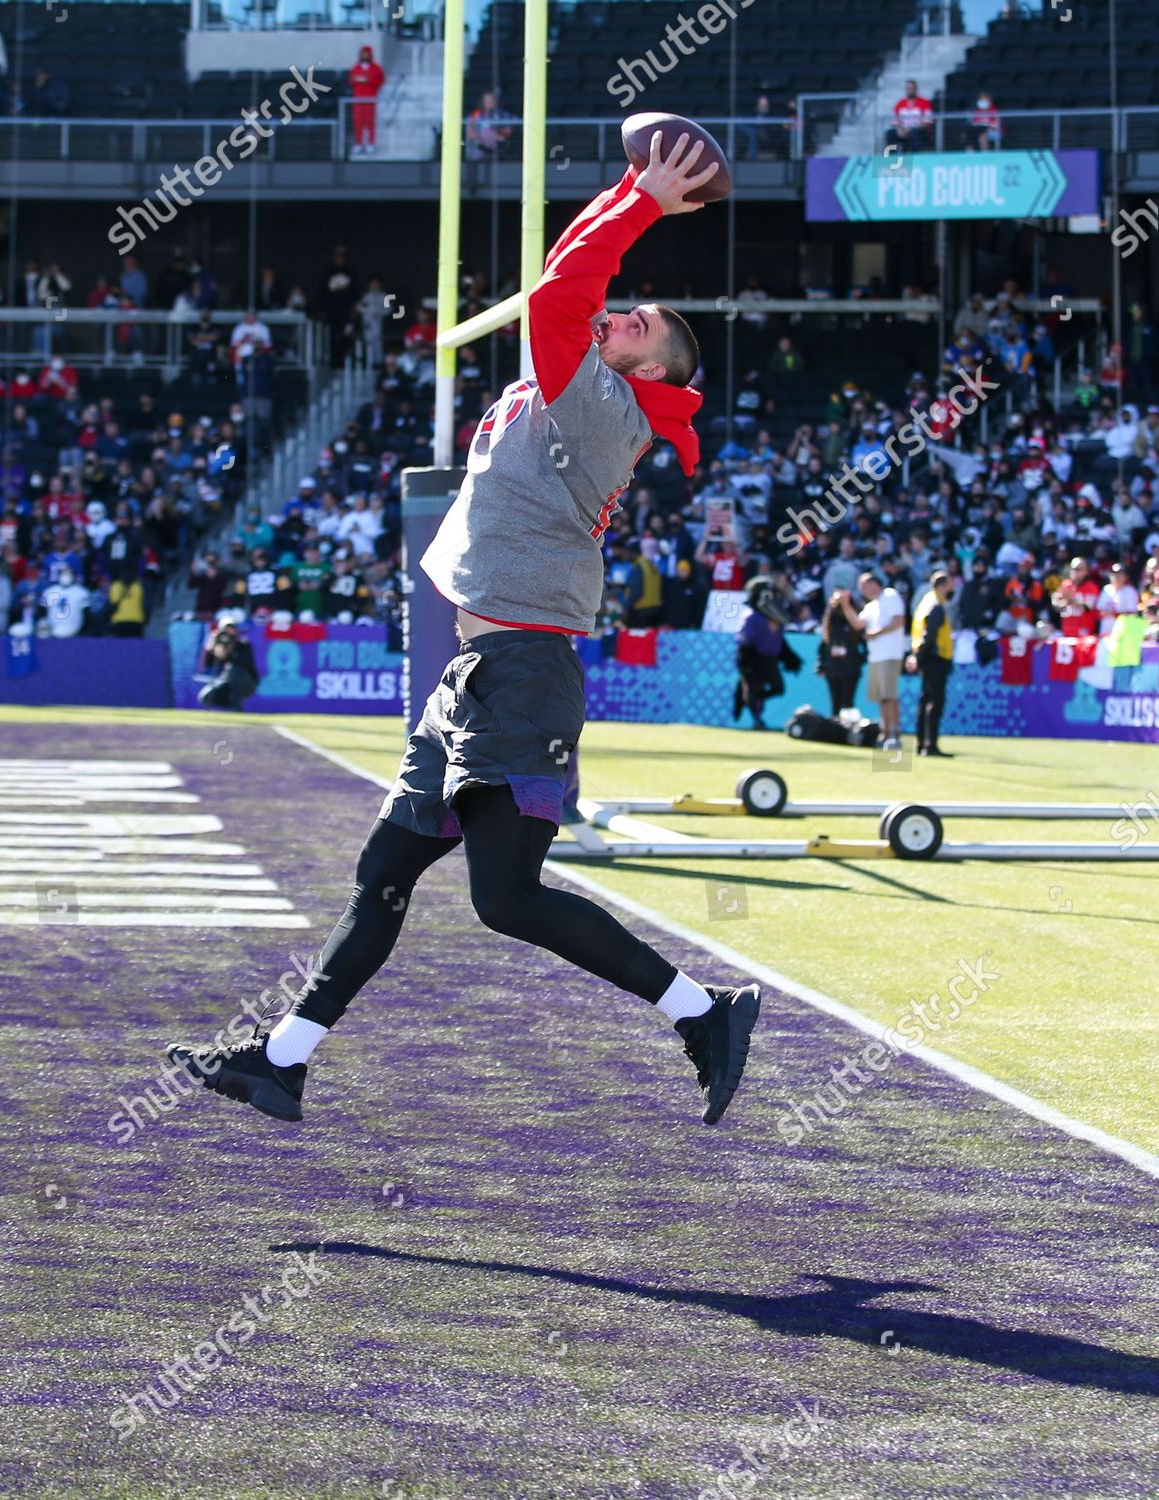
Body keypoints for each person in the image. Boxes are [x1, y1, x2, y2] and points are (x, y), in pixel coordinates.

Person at [168, 131, 761, 1129]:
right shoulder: (579, 380)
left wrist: (647, 202)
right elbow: (568, 271)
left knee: (507, 900)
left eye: (639, 322)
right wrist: (627, 187)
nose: (621, 317)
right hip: (476, 671)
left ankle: (702, 1013)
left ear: (650, 365)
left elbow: (560, 290)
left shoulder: (607, 401)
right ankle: (282, 1060)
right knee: (383, 876)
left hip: (522, 668)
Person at [841, 571, 905, 751]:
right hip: (876, 656)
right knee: (881, 698)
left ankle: (894, 734)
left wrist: (877, 633)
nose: (862, 591)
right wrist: (845, 605)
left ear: (873, 584)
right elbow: (858, 624)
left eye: (863, 586)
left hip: (890, 654)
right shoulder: (871, 606)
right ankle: (885, 733)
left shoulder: (890, 595)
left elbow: (898, 621)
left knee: (889, 696)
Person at [733, 573, 802, 729]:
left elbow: (780, 641)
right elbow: (744, 642)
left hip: (769, 659)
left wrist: (789, 658)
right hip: (753, 659)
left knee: (777, 688)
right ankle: (756, 718)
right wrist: (746, 662)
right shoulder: (751, 617)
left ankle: (752, 698)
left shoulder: (777, 616)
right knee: (753, 687)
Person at [907, 570, 955, 757]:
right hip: (935, 659)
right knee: (935, 702)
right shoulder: (936, 606)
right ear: (942, 586)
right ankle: (930, 744)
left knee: (925, 700)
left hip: (926, 657)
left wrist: (916, 656)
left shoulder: (925, 602)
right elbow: (930, 635)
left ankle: (921, 743)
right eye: (950, 585)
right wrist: (918, 658)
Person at [818, 590, 865, 715]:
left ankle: (847, 729)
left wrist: (859, 660)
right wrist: (821, 664)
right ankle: (835, 730)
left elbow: (864, 644)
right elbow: (824, 644)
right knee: (835, 701)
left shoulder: (855, 621)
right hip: (833, 667)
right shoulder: (830, 621)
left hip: (850, 667)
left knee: (848, 702)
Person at [197, 617, 258, 710]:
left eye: (232, 629)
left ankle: (236, 706)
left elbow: (242, 664)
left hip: (247, 683)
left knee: (234, 671)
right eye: (226, 629)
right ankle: (232, 706)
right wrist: (213, 647)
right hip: (227, 683)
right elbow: (208, 664)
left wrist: (228, 651)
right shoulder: (218, 643)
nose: (229, 632)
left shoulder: (243, 645)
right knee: (206, 697)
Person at [348, 44, 385, 159]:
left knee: (369, 121)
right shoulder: (356, 68)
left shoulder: (376, 68)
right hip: (358, 98)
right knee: (358, 121)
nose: (365, 56)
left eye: (367, 54)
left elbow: (380, 80)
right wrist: (361, 80)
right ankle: (359, 143)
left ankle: (370, 143)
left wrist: (367, 81)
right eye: (363, 54)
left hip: (370, 98)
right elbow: (352, 80)